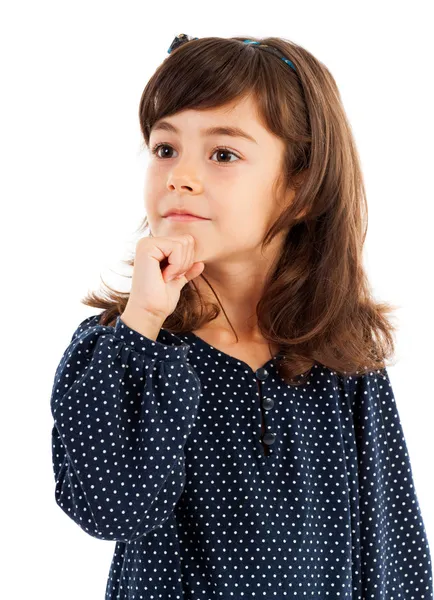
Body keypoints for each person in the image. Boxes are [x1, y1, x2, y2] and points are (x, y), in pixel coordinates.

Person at [50, 34, 433, 599]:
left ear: (300, 188)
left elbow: (391, 547)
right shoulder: (121, 349)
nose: (179, 176)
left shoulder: (339, 357)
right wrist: (143, 324)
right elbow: (110, 510)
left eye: (223, 154)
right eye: (164, 149)